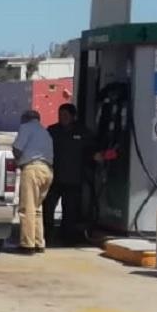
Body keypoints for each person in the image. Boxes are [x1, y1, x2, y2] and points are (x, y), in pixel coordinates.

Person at [44, 103, 95, 245]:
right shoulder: (52, 131)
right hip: (54, 178)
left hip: (73, 179)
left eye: (65, 115)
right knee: (48, 208)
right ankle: (46, 235)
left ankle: (67, 237)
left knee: (70, 211)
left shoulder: (83, 132)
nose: (62, 118)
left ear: (73, 116)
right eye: (60, 115)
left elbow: (91, 151)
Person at [12, 110, 54, 254]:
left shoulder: (26, 127)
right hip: (47, 171)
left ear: (25, 119)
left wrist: (17, 160)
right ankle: (39, 242)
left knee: (27, 208)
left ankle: (27, 244)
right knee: (37, 208)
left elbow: (17, 148)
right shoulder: (45, 132)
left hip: (32, 169)